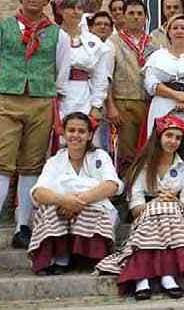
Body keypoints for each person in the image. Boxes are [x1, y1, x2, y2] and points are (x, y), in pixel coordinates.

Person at [0, 0, 71, 267]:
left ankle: (23, 227)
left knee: (32, 164)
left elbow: (62, 75)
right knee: (0, 164)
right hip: (7, 98)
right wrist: (0, 96)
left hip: (42, 100)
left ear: (46, 0)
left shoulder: (59, 35)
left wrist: (52, 104)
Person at [95, 114, 184, 301]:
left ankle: (165, 276)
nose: (173, 141)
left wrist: (174, 200)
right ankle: (147, 277)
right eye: (169, 136)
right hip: (146, 218)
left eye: (178, 137)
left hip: (176, 219)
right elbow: (135, 207)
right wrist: (156, 203)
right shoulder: (142, 166)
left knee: (169, 211)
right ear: (159, 137)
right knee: (158, 210)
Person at [28, 112, 123, 275]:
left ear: (90, 135)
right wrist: (64, 200)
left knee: (92, 208)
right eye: (71, 130)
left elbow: (112, 185)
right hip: (63, 210)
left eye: (81, 131)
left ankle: (88, 256)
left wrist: (78, 201)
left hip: (92, 207)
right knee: (50, 209)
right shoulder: (55, 161)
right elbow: (38, 192)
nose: (76, 135)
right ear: (64, 134)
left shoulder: (100, 156)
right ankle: (60, 257)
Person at [143, 14, 184, 167]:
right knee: (162, 141)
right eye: (175, 28)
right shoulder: (157, 56)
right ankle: (159, 180)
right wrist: (177, 95)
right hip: (164, 104)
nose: (179, 31)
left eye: (183, 28)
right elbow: (151, 83)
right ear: (168, 33)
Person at [106, 0, 158, 176]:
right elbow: (106, 78)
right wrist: (111, 106)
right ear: (123, 16)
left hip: (149, 103)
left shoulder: (154, 43)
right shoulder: (112, 42)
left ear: (146, 18)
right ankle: (126, 194)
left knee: (147, 149)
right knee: (126, 152)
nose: (135, 17)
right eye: (131, 13)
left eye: (140, 14)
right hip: (123, 102)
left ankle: (144, 190)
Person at [52, 0, 110, 121]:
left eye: (79, 8)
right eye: (70, 8)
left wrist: (96, 105)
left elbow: (100, 78)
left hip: (84, 96)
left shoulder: (94, 42)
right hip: (55, 96)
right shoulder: (52, 37)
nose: (75, 12)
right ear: (60, 10)